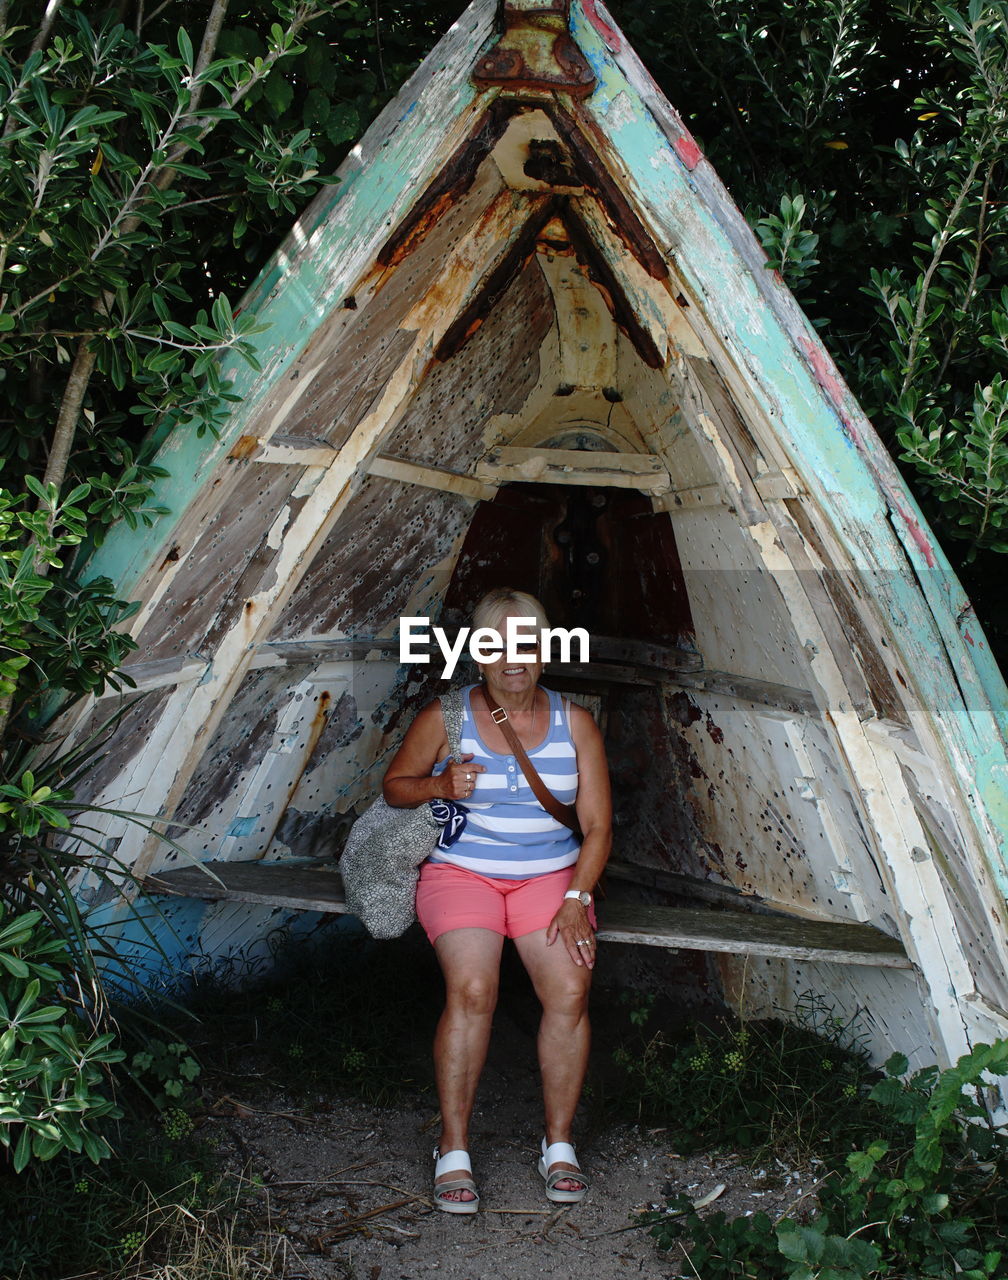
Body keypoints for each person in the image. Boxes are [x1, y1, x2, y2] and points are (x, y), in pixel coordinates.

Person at [383, 588, 612, 1214]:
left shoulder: (577, 723)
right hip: (463, 875)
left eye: (528, 641)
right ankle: (452, 1148)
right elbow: (396, 788)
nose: (514, 655)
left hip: (551, 880)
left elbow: (597, 828)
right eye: (496, 643)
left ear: (545, 650)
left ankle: (558, 1144)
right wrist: (439, 783)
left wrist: (575, 896)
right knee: (474, 990)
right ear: (476, 654)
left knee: (568, 991)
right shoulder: (447, 716)